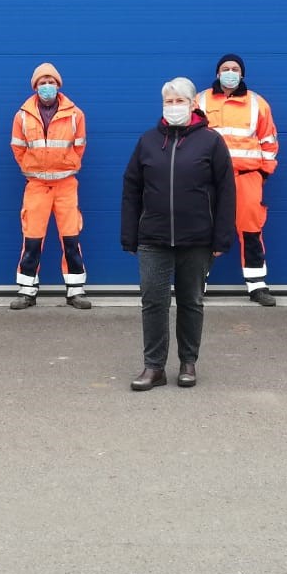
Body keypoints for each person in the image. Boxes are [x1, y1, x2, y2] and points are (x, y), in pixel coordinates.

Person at [121, 78, 236, 390]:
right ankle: (154, 367)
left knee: (191, 302)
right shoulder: (147, 141)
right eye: (169, 102)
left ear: (192, 105)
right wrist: (129, 234)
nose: (174, 107)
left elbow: (227, 191)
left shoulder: (211, 142)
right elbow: (132, 188)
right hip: (153, 238)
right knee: (153, 302)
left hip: (197, 238)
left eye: (179, 101)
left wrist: (221, 237)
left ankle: (188, 363)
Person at [196, 55, 280, 305]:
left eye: (235, 69)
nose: (230, 72)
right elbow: (189, 138)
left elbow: (269, 141)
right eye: (225, 69)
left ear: (242, 74)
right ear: (217, 73)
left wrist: (263, 172)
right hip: (209, 179)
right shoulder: (200, 100)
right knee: (203, 229)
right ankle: (196, 284)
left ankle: (257, 286)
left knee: (251, 228)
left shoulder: (258, 104)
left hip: (247, 177)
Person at [10, 63, 91, 310]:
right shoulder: (22, 115)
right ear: (35, 86)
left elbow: (80, 146)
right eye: (42, 82)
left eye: (51, 82)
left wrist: (70, 164)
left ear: (58, 85)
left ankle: (75, 291)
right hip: (36, 186)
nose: (47, 86)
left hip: (66, 185)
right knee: (32, 239)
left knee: (70, 238)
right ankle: (27, 291)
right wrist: (31, 168)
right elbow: (17, 147)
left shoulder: (76, 114)